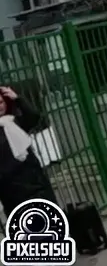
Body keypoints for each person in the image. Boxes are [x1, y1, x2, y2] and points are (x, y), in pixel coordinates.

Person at [0, 86, 55, 215]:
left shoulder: (14, 121)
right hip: (13, 191)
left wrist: (18, 99)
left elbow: (34, 117)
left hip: (36, 183)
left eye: (1, 102)